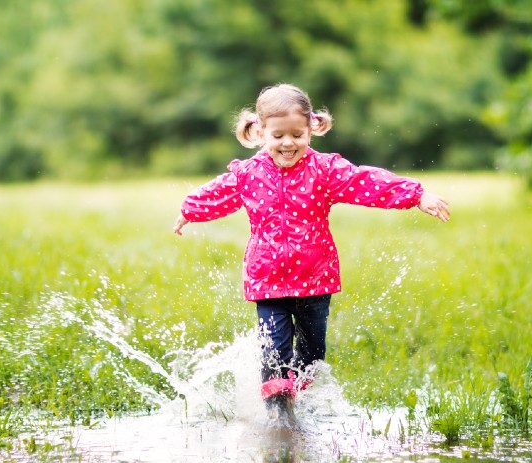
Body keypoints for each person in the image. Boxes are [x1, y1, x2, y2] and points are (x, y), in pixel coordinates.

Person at [172, 84, 450, 416]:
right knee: (273, 351)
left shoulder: (325, 170)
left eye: (296, 134)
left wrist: (416, 195)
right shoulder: (248, 174)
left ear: (311, 130)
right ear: (260, 133)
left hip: (316, 280)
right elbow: (217, 193)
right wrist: (190, 210)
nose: (288, 143)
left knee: (312, 353)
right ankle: (279, 417)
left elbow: (366, 182)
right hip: (268, 282)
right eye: (278, 136)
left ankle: (299, 398)